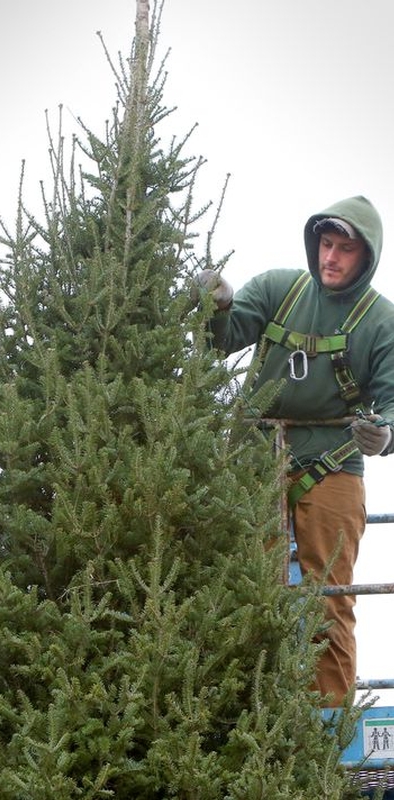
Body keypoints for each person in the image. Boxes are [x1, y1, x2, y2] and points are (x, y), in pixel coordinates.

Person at [193, 195, 394, 707]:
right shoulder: (278, 289)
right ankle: (248, 713)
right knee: (249, 591)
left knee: (328, 598)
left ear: (365, 257)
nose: (331, 257)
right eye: (326, 244)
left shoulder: (381, 322)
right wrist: (217, 305)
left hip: (334, 469)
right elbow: (224, 338)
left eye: (345, 249)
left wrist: (385, 434)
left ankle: (328, 727)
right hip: (255, 464)